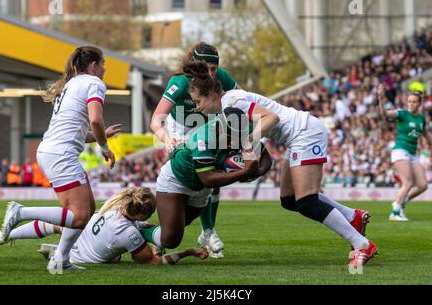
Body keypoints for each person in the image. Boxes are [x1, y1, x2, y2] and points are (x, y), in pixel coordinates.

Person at [182, 60, 379, 268]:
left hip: (305, 132)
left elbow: (272, 118)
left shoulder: (232, 102)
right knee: (289, 200)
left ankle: (362, 244)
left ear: (211, 94)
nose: (197, 107)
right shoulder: (226, 109)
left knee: (306, 201)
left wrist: (247, 140)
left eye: (198, 101)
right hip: (296, 136)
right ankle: (352, 216)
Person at [0, 46, 121, 273]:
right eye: (103, 65)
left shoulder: (71, 84)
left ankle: (60, 261)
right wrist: (105, 146)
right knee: (81, 215)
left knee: (86, 210)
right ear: (93, 65)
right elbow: (95, 120)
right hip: (60, 155)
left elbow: (78, 132)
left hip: (52, 151)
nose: (104, 70)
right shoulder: (94, 83)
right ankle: (20, 212)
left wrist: (103, 135)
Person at [150, 42, 239, 257]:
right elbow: (156, 120)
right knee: (182, 178)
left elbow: (238, 104)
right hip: (179, 128)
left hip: (207, 125)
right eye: (205, 68)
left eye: (214, 69)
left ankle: (207, 231)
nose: (210, 73)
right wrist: (167, 138)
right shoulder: (179, 82)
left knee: (212, 180)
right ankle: (162, 235)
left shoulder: (223, 78)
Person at [142, 108, 272, 255]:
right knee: (170, 241)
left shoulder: (241, 129)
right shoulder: (202, 138)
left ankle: (160, 234)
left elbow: (266, 156)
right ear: (219, 128)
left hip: (201, 187)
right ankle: (141, 230)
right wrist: (244, 173)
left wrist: (256, 172)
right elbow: (208, 179)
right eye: (230, 137)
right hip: (177, 179)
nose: (233, 142)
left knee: (182, 223)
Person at [0, 187, 208, 266]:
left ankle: (10, 234)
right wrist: (187, 252)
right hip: (85, 258)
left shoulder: (115, 206)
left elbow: (139, 225)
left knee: (63, 225)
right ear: (143, 212)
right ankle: (58, 254)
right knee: (116, 257)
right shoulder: (130, 234)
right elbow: (153, 262)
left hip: (84, 239)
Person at [377, 84, 432, 221]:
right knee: (407, 183)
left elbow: (426, 135)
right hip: (400, 150)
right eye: (409, 101)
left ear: (419, 104)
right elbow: (384, 114)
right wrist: (380, 98)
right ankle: (395, 213)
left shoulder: (420, 119)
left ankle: (400, 202)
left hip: (412, 154)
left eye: (414, 102)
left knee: (423, 185)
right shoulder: (402, 113)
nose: (411, 104)